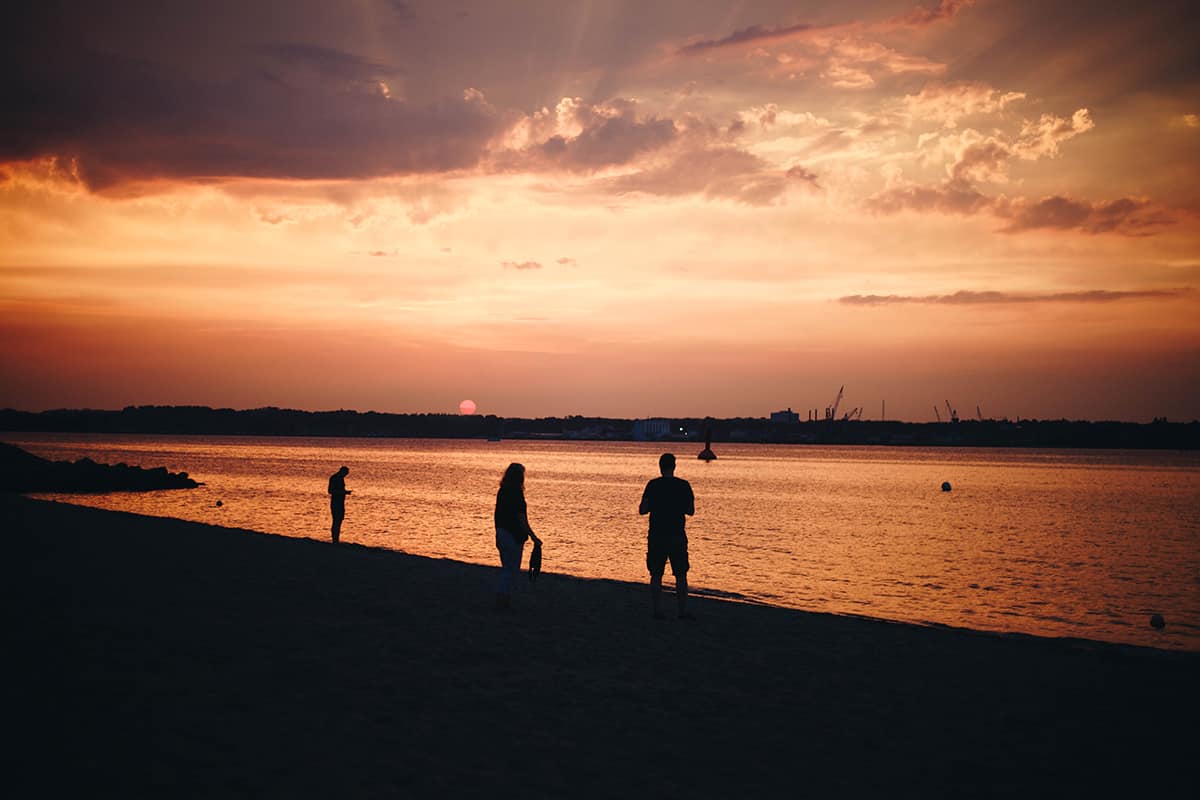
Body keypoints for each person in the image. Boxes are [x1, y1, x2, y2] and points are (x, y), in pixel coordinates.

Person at [639, 453, 695, 619]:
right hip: (677, 534)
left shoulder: (653, 485)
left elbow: (642, 509)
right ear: (674, 466)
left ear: (660, 466)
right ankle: (682, 611)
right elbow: (690, 510)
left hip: (657, 534)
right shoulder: (684, 486)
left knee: (656, 573)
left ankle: (657, 610)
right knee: (681, 573)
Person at [494, 462, 542, 610]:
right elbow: (521, 519)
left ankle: (503, 599)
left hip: (501, 533)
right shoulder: (517, 494)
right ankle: (503, 600)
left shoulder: (502, 491)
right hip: (513, 536)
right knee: (511, 570)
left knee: (506, 568)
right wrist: (533, 537)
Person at [328, 466, 351, 543]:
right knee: (336, 521)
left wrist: (344, 492)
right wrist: (344, 492)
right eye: (345, 473)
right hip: (336, 502)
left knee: (339, 520)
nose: (346, 475)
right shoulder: (334, 478)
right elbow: (330, 491)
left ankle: (336, 539)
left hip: (340, 503)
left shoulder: (340, 478)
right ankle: (335, 540)